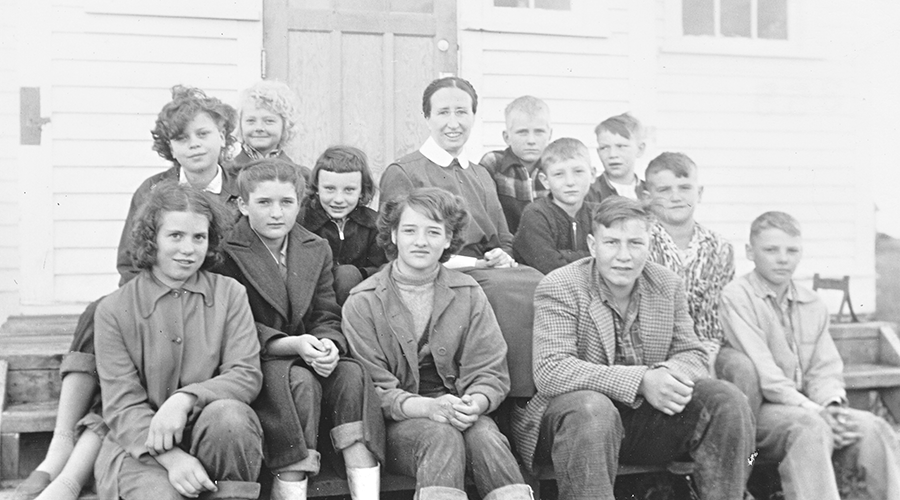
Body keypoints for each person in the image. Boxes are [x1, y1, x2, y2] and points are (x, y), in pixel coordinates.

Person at [15, 85, 241, 500]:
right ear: (168, 147)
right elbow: (130, 259)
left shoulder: (241, 188)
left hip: (219, 303)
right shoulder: (153, 190)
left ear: (224, 136)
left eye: (203, 134)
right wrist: (150, 303)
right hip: (157, 297)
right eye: (181, 138)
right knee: (103, 313)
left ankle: (71, 465)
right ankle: (62, 445)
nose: (193, 145)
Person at [511, 197, 754, 500]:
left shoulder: (667, 284)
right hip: (573, 424)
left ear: (649, 245)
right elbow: (552, 370)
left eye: (635, 243)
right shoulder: (560, 285)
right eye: (611, 242)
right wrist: (642, 381)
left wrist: (666, 375)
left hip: (643, 419)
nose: (623, 256)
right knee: (592, 408)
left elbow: (693, 354)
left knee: (726, 400)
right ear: (591, 244)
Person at [343, 187, 532, 500]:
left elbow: (489, 369)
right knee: (440, 435)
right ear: (393, 236)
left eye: (433, 232)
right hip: (397, 425)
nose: (420, 241)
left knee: (486, 435)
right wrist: (429, 408)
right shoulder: (363, 302)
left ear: (448, 239)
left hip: (459, 410)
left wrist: (477, 403)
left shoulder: (468, 292)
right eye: (409, 230)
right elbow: (374, 391)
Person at [215, 159, 384, 500]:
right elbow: (234, 327)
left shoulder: (313, 246)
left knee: (351, 375)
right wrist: (291, 344)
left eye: (286, 202)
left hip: (305, 350)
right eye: (264, 202)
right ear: (244, 205)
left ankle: (365, 489)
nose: (276, 213)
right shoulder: (227, 251)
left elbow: (325, 311)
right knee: (300, 383)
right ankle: (290, 488)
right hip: (258, 357)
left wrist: (328, 343)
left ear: (300, 202)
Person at [94, 180, 264, 500]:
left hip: (211, 434)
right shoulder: (114, 310)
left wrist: (185, 399)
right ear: (151, 239)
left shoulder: (230, 294)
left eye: (199, 237)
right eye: (175, 236)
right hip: (139, 448)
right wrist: (172, 459)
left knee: (231, 417)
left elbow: (245, 375)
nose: (188, 249)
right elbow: (121, 404)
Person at [379, 76, 545, 398]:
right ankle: (508, 397)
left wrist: (502, 255)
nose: (453, 123)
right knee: (503, 290)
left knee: (537, 281)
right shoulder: (405, 171)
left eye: (462, 112)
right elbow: (391, 242)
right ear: (427, 117)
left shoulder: (480, 173)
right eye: (443, 113)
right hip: (434, 269)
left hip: (485, 268)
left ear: (473, 116)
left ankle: (534, 395)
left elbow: (502, 237)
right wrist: (473, 262)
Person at [720, 211, 900, 500]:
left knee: (873, 427)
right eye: (771, 250)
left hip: (809, 406)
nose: (783, 259)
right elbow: (765, 373)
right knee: (810, 427)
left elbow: (824, 368)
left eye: (792, 250)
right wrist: (816, 412)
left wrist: (831, 405)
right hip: (761, 410)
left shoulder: (811, 303)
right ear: (750, 252)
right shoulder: (737, 297)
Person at [644, 152, 735, 373]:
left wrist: (707, 360)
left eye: (684, 188)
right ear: (648, 197)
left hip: (702, 347)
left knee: (740, 367)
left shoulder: (719, 247)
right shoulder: (639, 243)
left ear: (699, 192)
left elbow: (713, 318)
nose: (676, 197)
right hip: (650, 349)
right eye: (664, 190)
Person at [300, 145, 387, 305]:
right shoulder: (303, 221)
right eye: (330, 189)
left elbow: (380, 268)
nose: (338, 199)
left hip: (358, 298)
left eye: (349, 190)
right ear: (317, 188)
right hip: (315, 298)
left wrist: (355, 275)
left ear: (361, 191)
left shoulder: (373, 224)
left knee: (348, 274)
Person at [513, 138, 596, 275]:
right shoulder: (536, 214)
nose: (570, 182)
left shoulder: (599, 214)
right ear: (545, 181)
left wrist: (564, 255)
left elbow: (610, 259)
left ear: (592, 175)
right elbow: (550, 266)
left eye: (578, 172)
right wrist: (592, 256)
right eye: (559, 174)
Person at [479, 95, 552, 233]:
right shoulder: (494, 164)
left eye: (539, 132)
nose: (531, 140)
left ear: (550, 135)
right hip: (505, 247)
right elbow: (484, 213)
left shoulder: (554, 167)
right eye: (522, 132)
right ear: (507, 137)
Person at [233, 80, 311, 180]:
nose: (259, 128)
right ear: (240, 125)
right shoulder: (225, 175)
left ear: (285, 125)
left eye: (269, 121)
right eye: (251, 121)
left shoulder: (302, 176)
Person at [585, 113, 646, 203]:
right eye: (604, 148)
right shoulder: (589, 194)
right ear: (598, 152)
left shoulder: (650, 192)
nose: (612, 154)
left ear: (640, 149)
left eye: (621, 146)